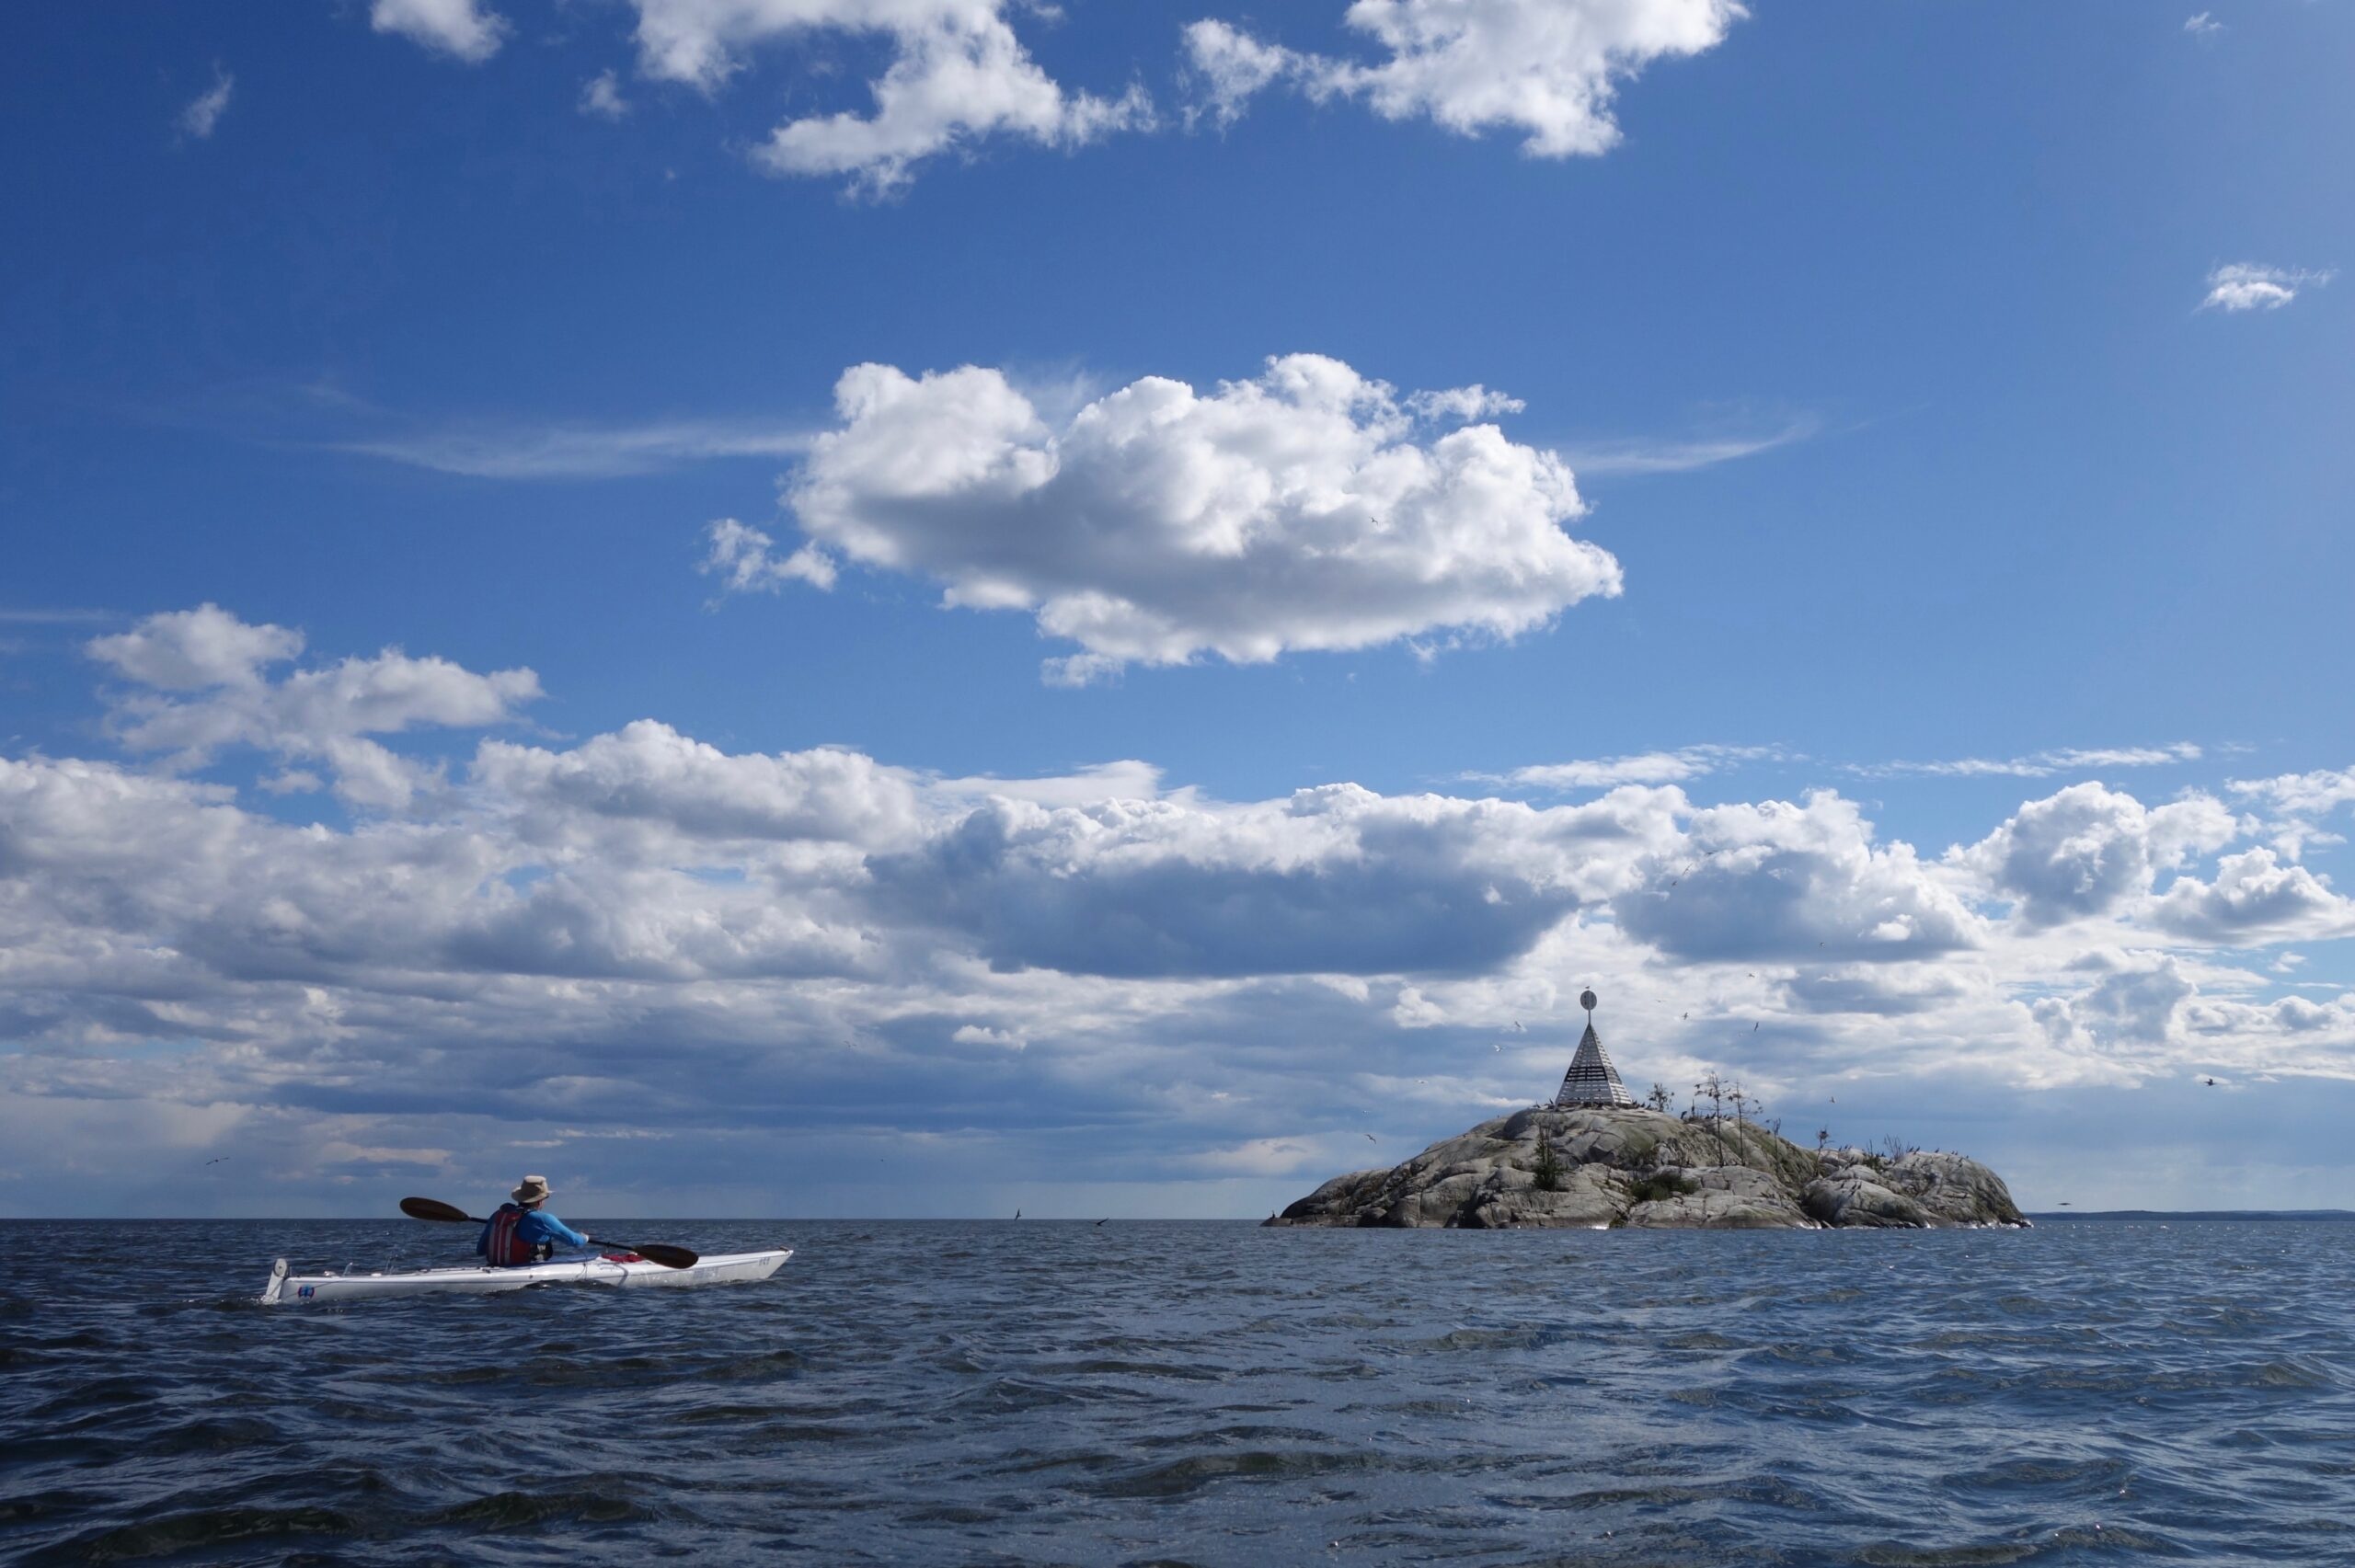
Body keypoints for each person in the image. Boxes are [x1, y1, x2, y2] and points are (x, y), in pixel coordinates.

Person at [477, 1174, 591, 1266]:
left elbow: (480, 1250)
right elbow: (575, 1241)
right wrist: (585, 1237)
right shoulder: (544, 1219)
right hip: (524, 1273)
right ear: (540, 1201)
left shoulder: (497, 1215)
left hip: (493, 1267)